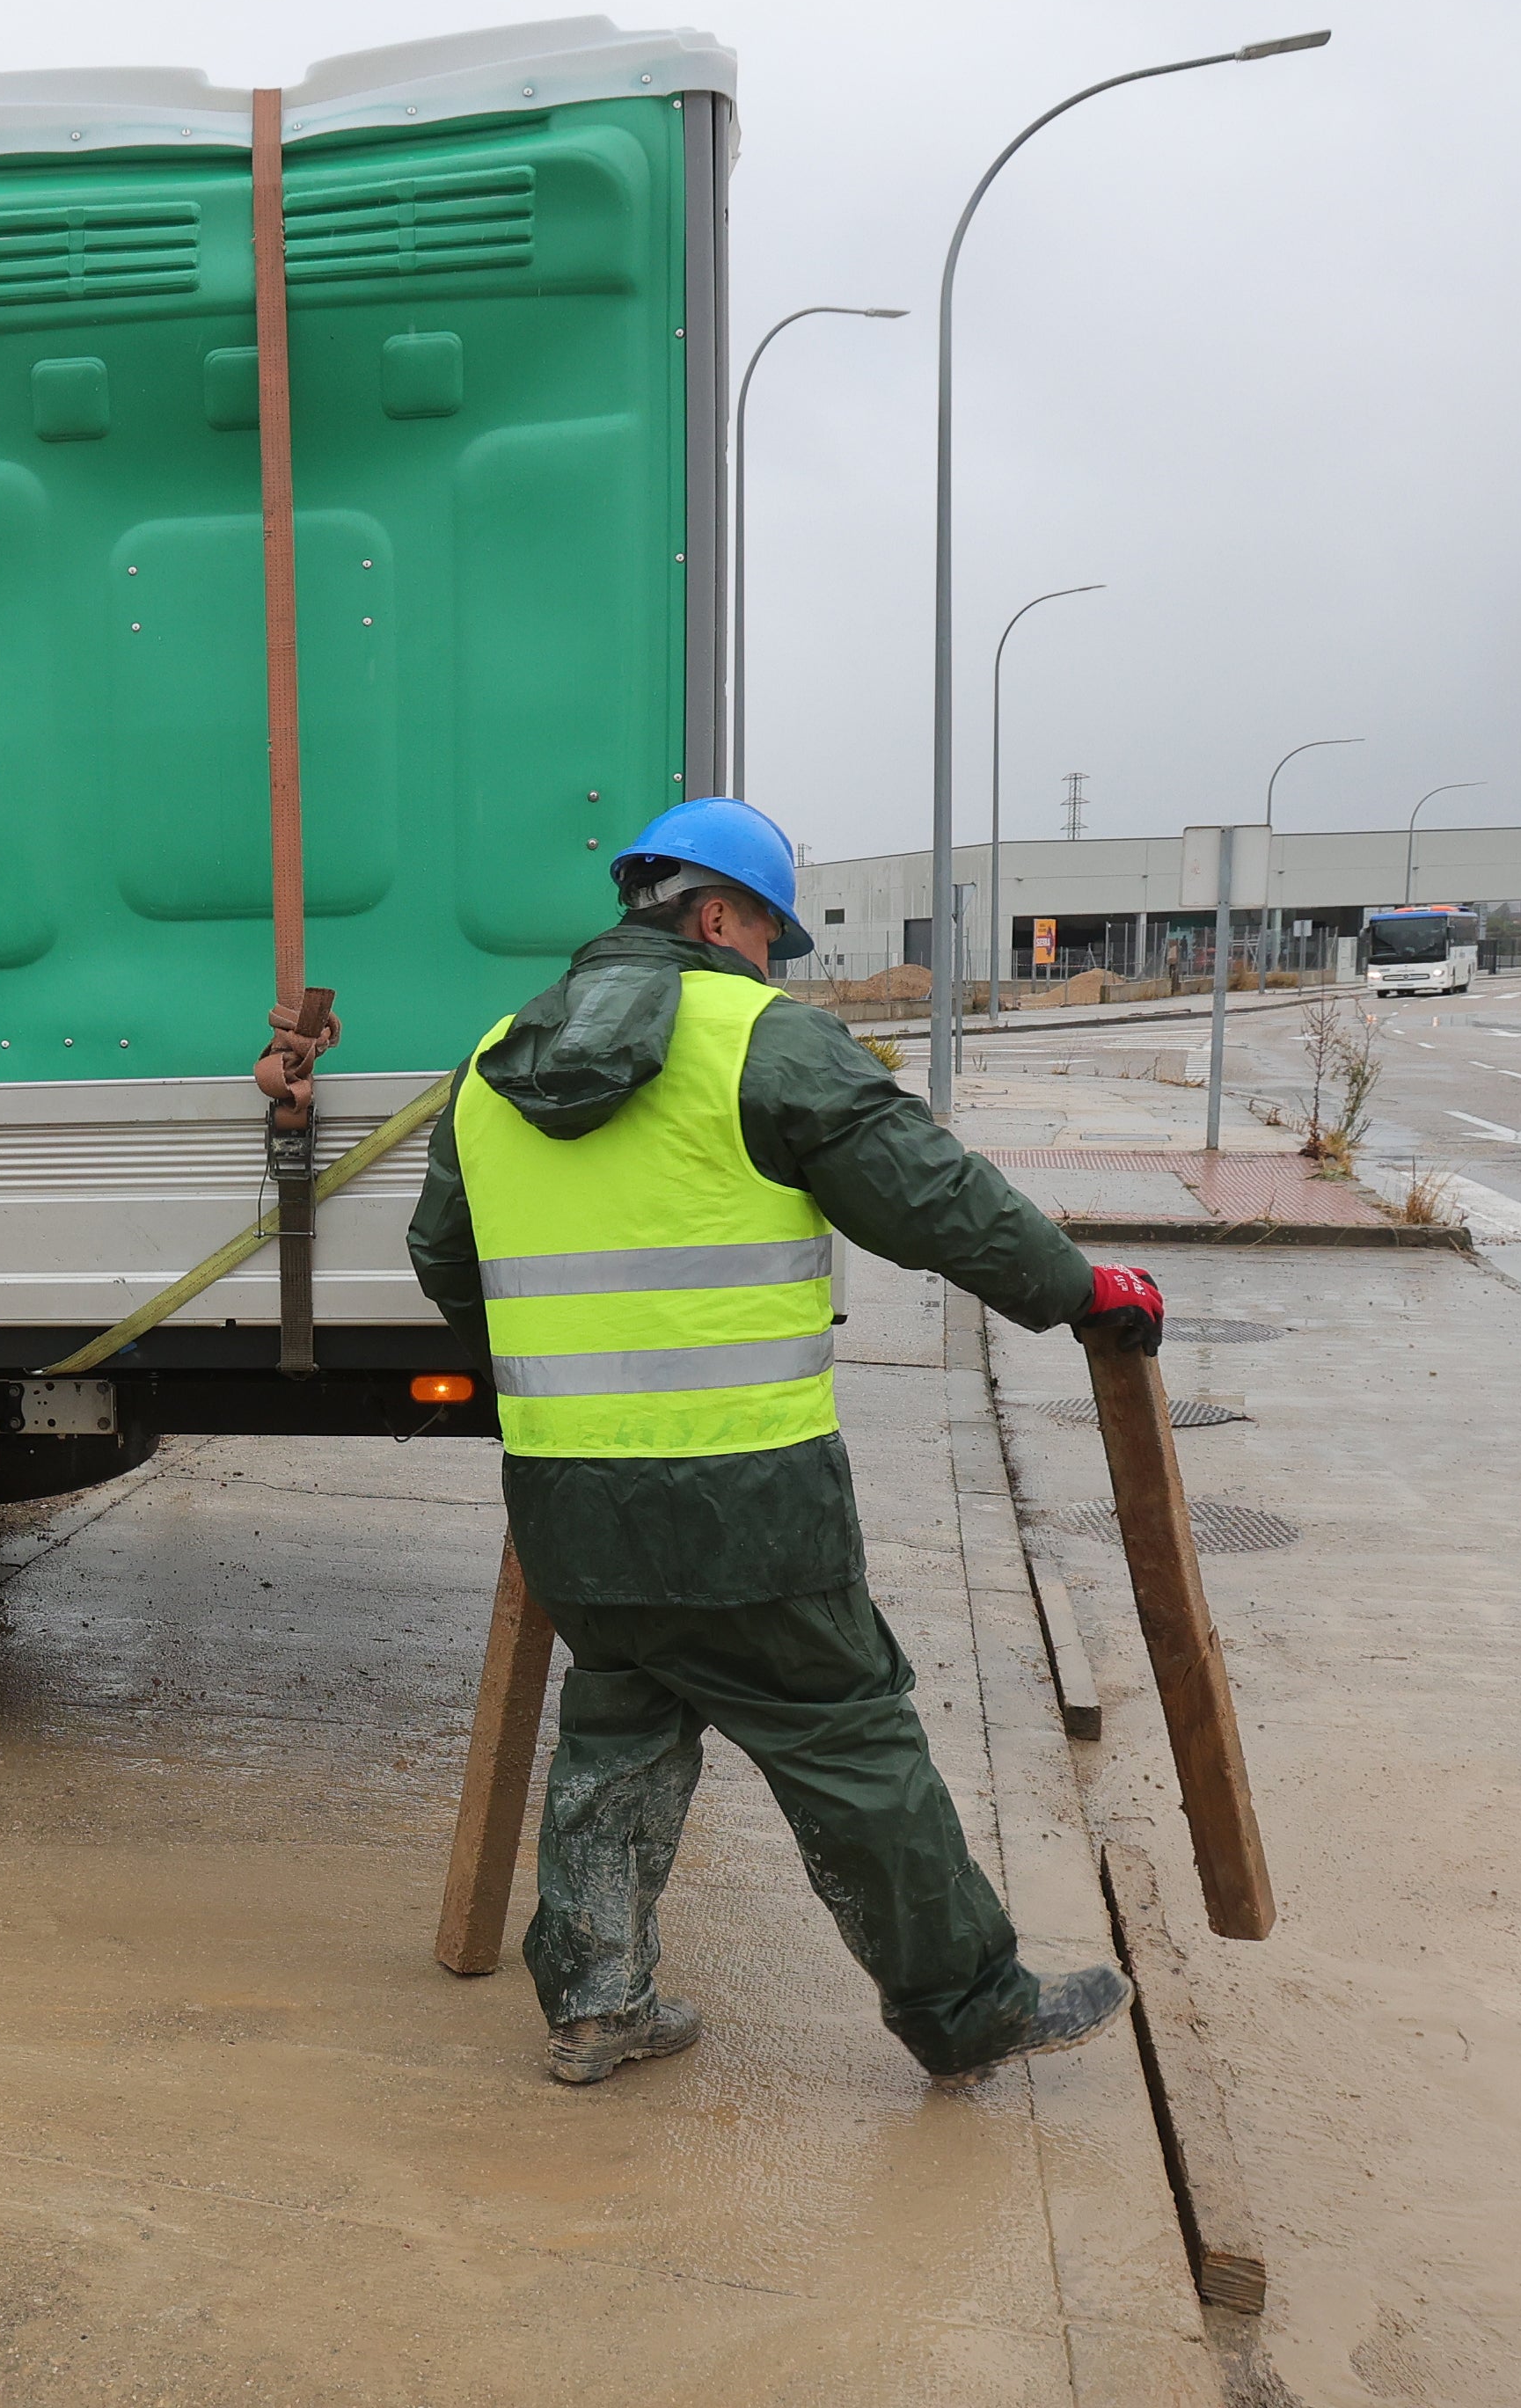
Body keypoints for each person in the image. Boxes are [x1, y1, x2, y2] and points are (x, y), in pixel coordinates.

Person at [404, 795, 1168, 2086]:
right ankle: (969, 2011)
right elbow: (933, 1198)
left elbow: (443, 1262)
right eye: (768, 933)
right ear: (716, 915)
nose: (772, 961)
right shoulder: (765, 1041)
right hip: (748, 1498)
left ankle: (597, 2005)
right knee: (848, 1739)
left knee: (620, 1728)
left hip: (569, 1498)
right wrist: (1080, 1291)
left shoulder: (494, 1060)